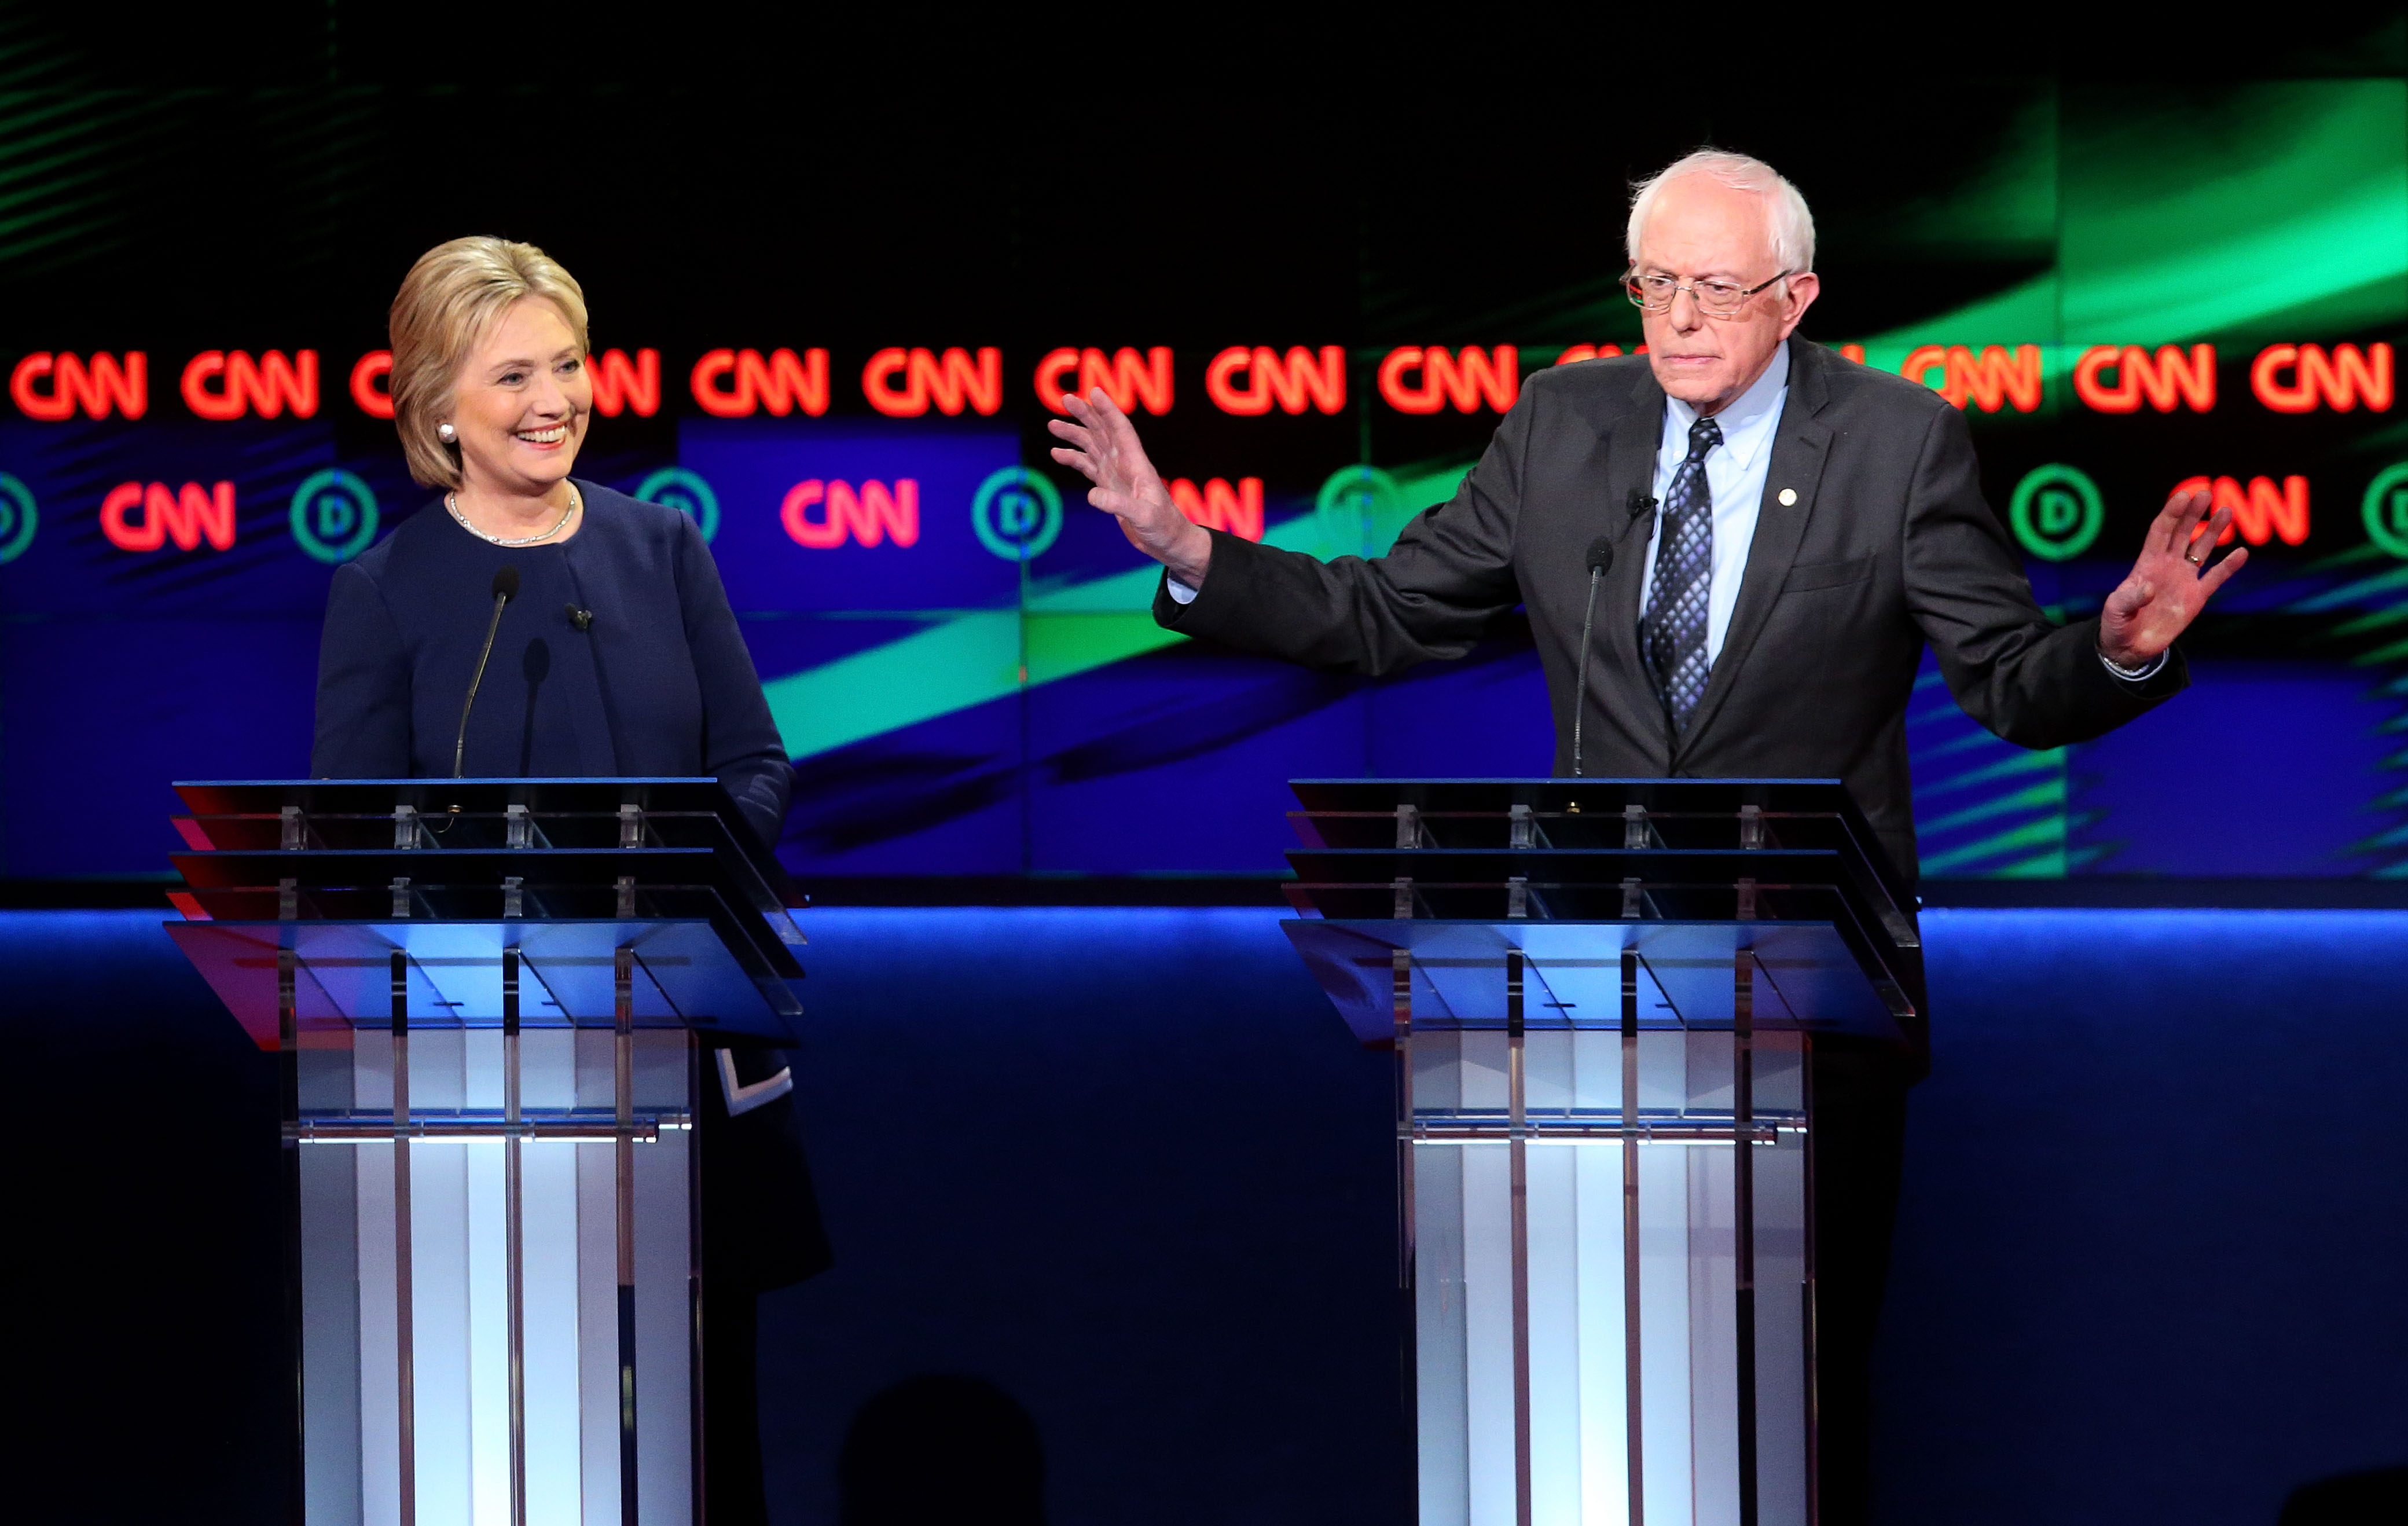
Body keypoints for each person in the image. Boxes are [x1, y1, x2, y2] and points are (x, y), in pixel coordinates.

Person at [1048, 149, 2245, 1521]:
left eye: (1713, 289)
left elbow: (2005, 683)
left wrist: (2115, 648)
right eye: (1653, 284)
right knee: (1585, 1416)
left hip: (1809, 1016)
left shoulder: (1895, 440)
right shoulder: (1567, 424)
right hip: (1578, 1008)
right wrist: (1182, 543)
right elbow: (1387, 613)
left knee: (1790, 1416)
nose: (1675, 319)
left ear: (1793, 299)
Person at [311, 236, 827, 1525]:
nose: (556, 399)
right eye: (512, 375)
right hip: (484, 1074)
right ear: (436, 402)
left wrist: (681, 874)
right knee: (523, 1438)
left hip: (684, 1047)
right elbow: (354, 844)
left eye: (570, 363)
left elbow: (754, 763)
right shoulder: (384, 590)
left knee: (701, 1436)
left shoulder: (663, 550)